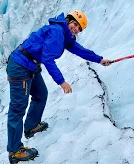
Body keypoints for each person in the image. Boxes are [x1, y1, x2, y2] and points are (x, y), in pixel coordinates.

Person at [6, 10, 111, 163]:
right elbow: (48, 59)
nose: (75, 29)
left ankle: (31, 126)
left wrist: (100, 60)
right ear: (68, 20)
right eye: (75, 24)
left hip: (31, 66)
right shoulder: (57, 32)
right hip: (20, 66)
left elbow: (80, 50)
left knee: (41, 94)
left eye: (79, 28)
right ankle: (14, 150)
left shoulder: (65, 36)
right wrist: (62, 82)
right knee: (17, 108)